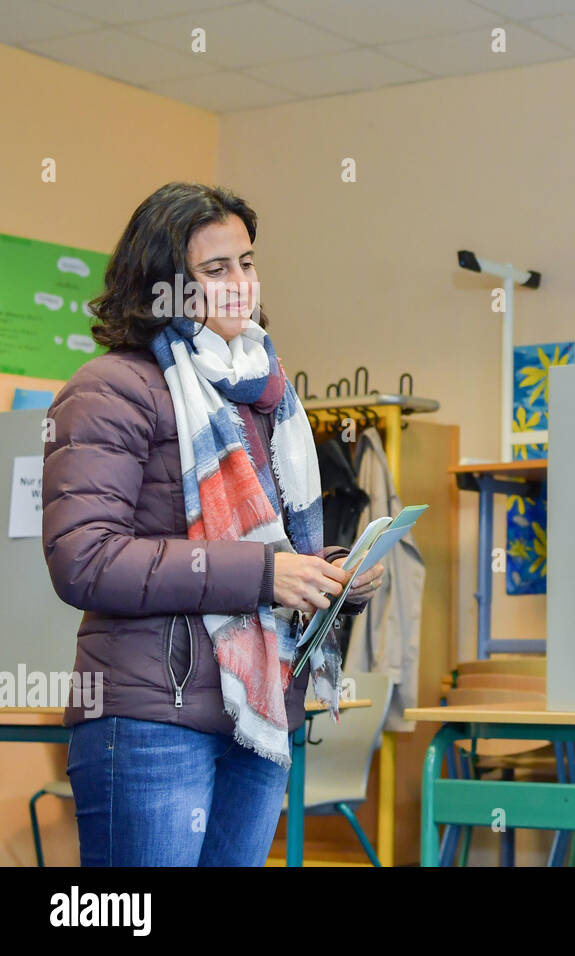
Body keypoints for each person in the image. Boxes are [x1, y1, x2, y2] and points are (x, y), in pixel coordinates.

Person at [43, 182, 384, 866]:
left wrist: (321, 575)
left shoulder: (263, 394)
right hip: (149, 718)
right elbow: (84, 559)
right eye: (215, 269)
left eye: (248, 263)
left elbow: (264, 541)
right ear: (162, 285)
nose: (241, 284)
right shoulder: (108, 389)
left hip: (257, 714)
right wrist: (264, 575)